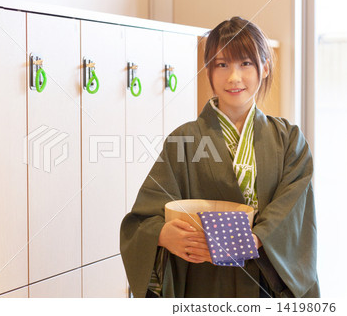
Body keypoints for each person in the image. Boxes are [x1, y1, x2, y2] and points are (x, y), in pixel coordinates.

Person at [120, 16, 319, 298]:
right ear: (209, 70)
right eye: (222, 64)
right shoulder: (183, 140)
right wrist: (164, 236)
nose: (233, 77)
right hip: (205, 284)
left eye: (245, 63)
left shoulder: (289, 139)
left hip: (267, 281)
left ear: (264, 67)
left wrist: (253, 238)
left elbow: (293, 208)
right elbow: (143, 220)